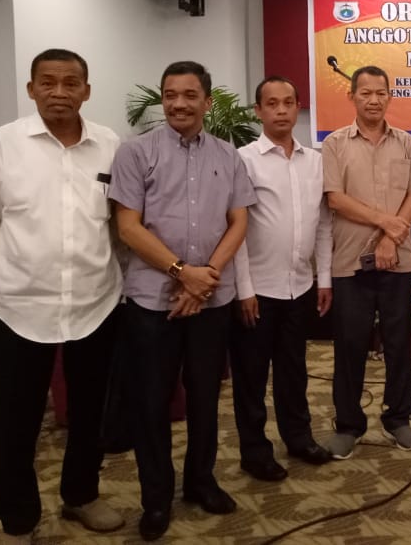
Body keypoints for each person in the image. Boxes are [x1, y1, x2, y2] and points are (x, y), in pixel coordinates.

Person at [110, 61, 255, 541]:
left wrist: (204, 279)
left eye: (190, 95)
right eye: (170, 94)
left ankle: (200, 481)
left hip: (210, 301)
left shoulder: (228, 155)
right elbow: (128, 227)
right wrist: (182, 273)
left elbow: (238, 221)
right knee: (151, 401)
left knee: (206, 396)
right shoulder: (136, 152)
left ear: (207, 102)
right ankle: (156, 498)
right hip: (153, 302)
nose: (178, 104)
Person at [0, 49, 124, 543]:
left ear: (86, 90)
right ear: (31, 89)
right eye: (48, 82)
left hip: (95, 300)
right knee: (16, 421)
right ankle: (17, 520)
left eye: (70, 83)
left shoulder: (110, 145)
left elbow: (118, 224)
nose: (59, 92)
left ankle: (81, 495)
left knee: (89, 412)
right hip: (20, 305)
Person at [229, 76, 333, 483]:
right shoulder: (243, 160)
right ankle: (254, 452)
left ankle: (299, 438)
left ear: (298, 106)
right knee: (251, 377)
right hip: (257, 289)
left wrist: (324, 279)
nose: (281, 110)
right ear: (258, 110)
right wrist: (243, 288)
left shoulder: (315, 161)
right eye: (271, 104)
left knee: (294, 370)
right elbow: (235, 230)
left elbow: (323, 223)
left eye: (288, 102)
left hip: (300, 286)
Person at [322, 66, 411, 458]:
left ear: (389, 96)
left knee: (398, 341)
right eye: (366, 93)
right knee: (350, 344)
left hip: (398, 258)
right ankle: (349, 424)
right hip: (350, 261)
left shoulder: (406, 143)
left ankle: (398, 418)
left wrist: (389, 239)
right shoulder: (334, 144)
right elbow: (335, 198)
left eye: (381, 93)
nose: (374, 100)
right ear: (352, 97)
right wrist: (385, 224)